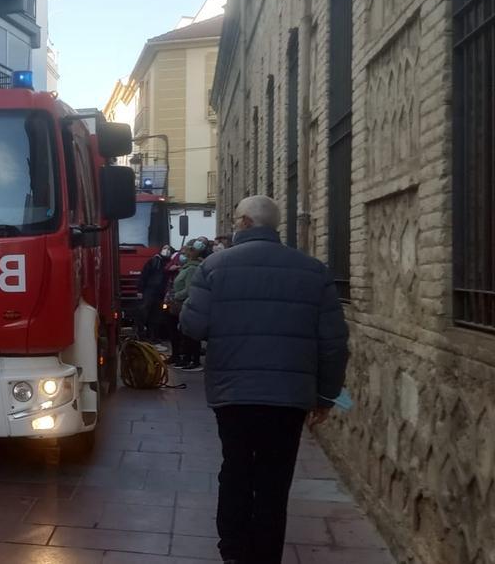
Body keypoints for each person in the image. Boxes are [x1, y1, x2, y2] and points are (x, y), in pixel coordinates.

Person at [180, 196, 349, 564]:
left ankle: (234, 551)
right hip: (289, 397)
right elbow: (334, 343)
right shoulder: (314, 271)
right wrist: (326, 395)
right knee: (274, 480)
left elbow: (193, 326)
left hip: (233, 393)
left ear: (243, 223)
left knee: (236, 469)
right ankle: (266, 555)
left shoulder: (214, 267)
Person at [170, 240, 208, 371]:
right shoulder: (186, 267)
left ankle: (193, 359)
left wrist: (175, 295)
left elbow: (189, 288)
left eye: (184, 252)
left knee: (189, 334)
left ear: (191, 253)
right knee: (184, 334)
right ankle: (186, 358)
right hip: (182, 304)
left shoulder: (192, 268)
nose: (182, 254)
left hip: (187, 304)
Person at [136, 245, 174, 345]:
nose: (167, 250)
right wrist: (140, 290)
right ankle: (142, 335)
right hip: (150, 291)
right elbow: (144, 275)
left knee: (155, 315)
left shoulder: (168, 262)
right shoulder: (154, 261)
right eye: (165, 248)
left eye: (169, 249)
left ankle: (152, 336)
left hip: (159, 292)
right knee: (144, 314)